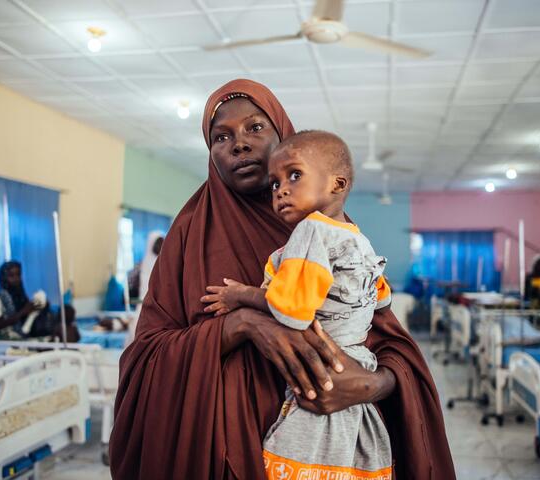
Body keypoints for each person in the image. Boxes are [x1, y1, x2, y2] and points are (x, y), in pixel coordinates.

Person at [109, 79, 455, 479]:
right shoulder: (189, 234)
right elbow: (146, 358)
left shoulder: (330, 230)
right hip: (223, 450)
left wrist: (370, 386)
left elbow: (390, 345)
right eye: (221, 137)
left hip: (333, 451)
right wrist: (240, 324)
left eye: (255, 128)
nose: (238, 144)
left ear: (282, 134)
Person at [201, 130, 393, 478]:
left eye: (294, 176)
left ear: (337, 184)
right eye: (274, 184)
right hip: (357, 362)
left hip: (318, 368)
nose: (281, 190)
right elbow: (383, 297)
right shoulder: (359, 238)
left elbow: (290, 309)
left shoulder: (310, 231)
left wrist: (240, 296)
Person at [0, 261, 53, 340]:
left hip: (24, 336)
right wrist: (23, 312)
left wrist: (41, 306)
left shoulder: (20, 295)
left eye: (18, 275)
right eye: (11, 276)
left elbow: (28, 317)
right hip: (8, 339)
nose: (16, 279)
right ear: (4, 278)